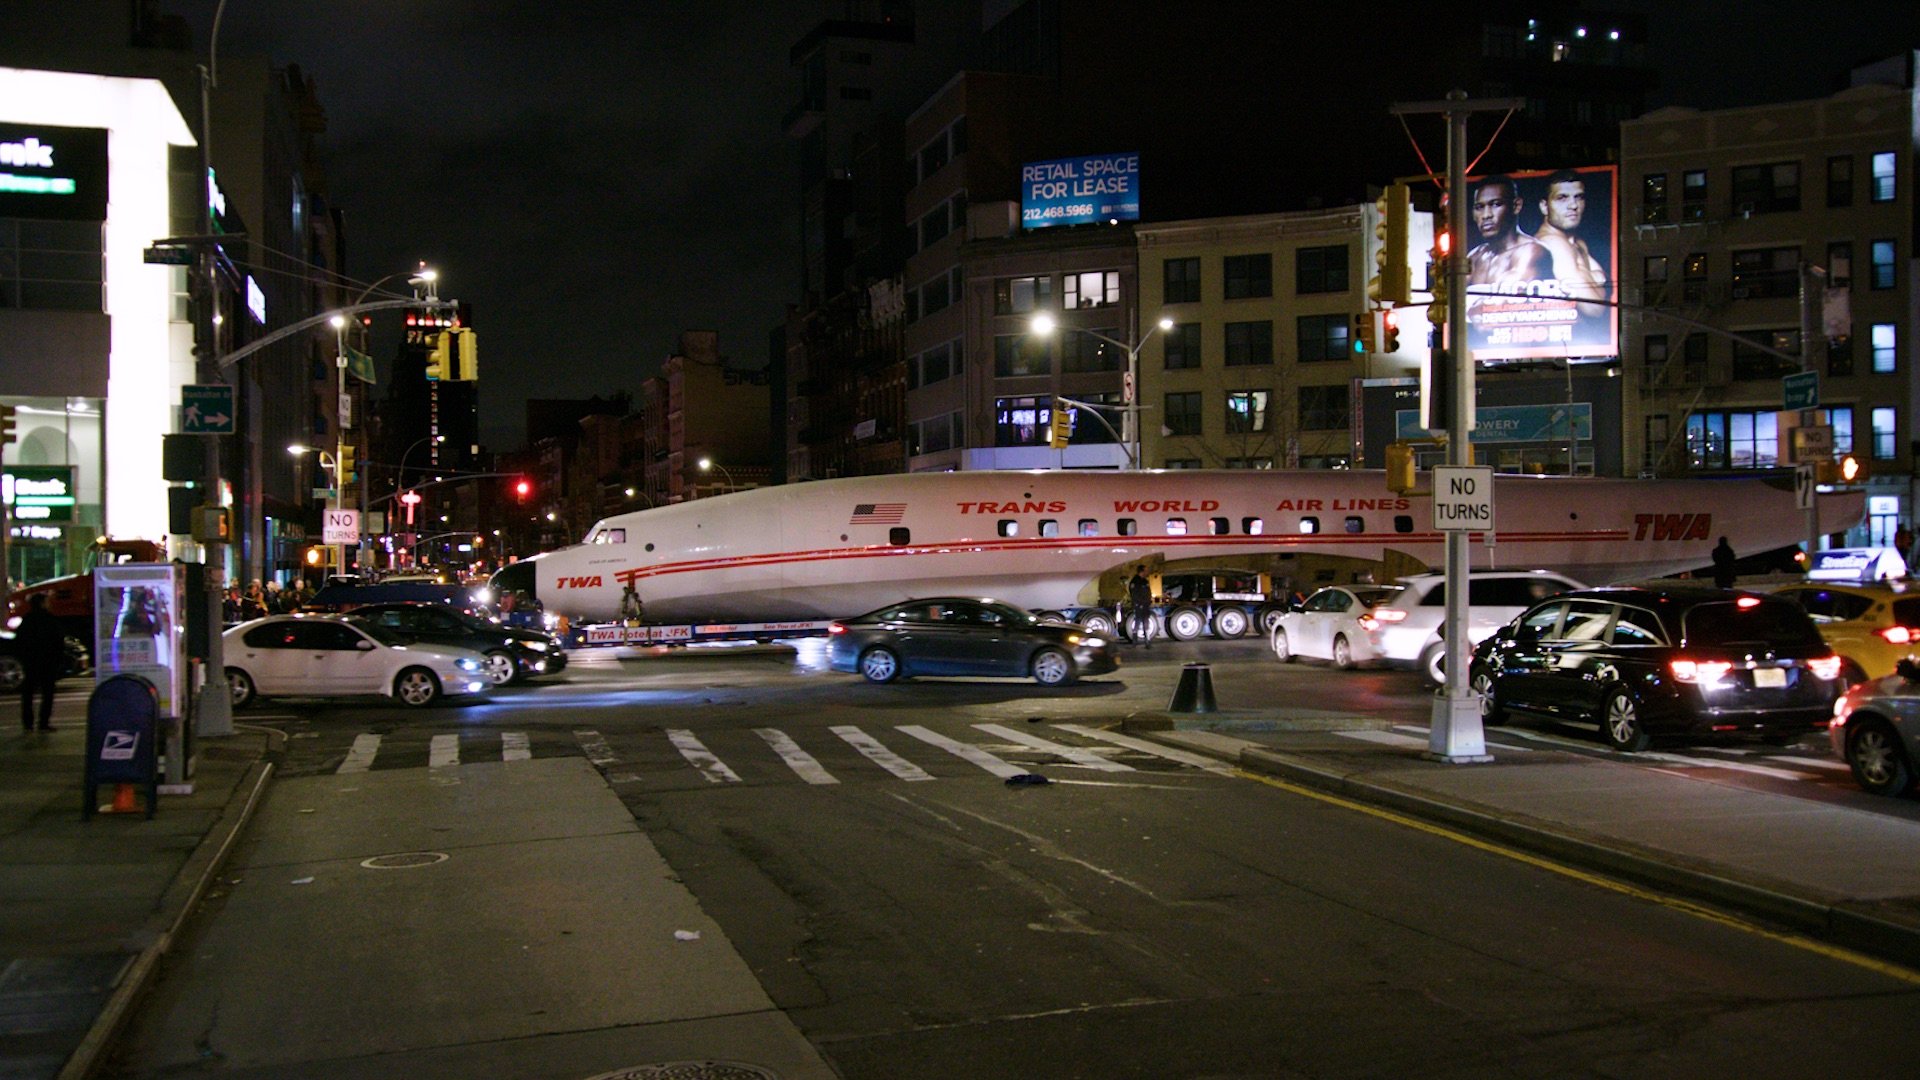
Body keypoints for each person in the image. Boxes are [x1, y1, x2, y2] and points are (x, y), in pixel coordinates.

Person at [1466, 175, 1554, 291]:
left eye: (1496, 204)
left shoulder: (1531, 251)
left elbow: (1504, 302)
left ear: (1516, 206)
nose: (1486, 215)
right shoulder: (1475, 256)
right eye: (1479, 207)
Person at [16, 593, 64, 733]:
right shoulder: (50, 620)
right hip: (48, 663)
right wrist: (57, 660)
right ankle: (43, 723)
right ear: (43, 603)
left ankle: (28, 723)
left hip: (31, 662)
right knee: (47, 694)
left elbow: (20, 642)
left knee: (28, 694)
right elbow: (58, 642)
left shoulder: (27, 620)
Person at [1126, 565, 1154, 647]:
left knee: (1146, 622)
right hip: (1138, 606)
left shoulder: (1145, 581)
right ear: (1141, 571)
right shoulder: (1135, 581)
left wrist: (1149, 602)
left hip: (1145, 606)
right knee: (1137, 622)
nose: (1147, 572)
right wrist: (1139, 603)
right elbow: (1134, 594)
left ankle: (1147, 641)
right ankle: (1135, 641)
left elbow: (1148, 593)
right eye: (1146, 570)